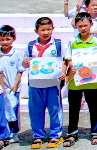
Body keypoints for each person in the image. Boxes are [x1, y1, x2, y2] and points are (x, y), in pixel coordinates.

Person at [64, 12, 97, 146]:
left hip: (91, 81)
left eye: (85, 25)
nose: (83, 28)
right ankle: (72, 133)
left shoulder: (96, 41)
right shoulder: (72, 41)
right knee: (74, 108)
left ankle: (95, 132)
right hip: (75, 81)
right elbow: (68, 58)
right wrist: (72, 65)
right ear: (76, 26)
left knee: (94, 108)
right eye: (80, 26)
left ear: (91, 24)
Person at [24, 17, 65, 149]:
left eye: (48, 29)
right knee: (36, 112)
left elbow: (64, 60)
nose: (46, 32)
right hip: (35, 85)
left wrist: (63, 72)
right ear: (36, 31)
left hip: (52, 85)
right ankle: (38, 135)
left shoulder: (57, 44)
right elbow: (25, 62)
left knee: (55, 111)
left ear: (53, 29)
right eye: (43, 30)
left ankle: (55, 134)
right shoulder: (31, 46)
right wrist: (25, 62)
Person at [0, 25, 24, 144]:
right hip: (0, 88)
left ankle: (14, 132)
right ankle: (4, 133)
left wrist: (15, 84)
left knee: (13, 109)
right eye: (1, 39)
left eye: (7, 39)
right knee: (2, 110)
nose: (4, 42)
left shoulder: (16, 54)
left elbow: (20, 70)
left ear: (13, 38)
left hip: (13, 88)